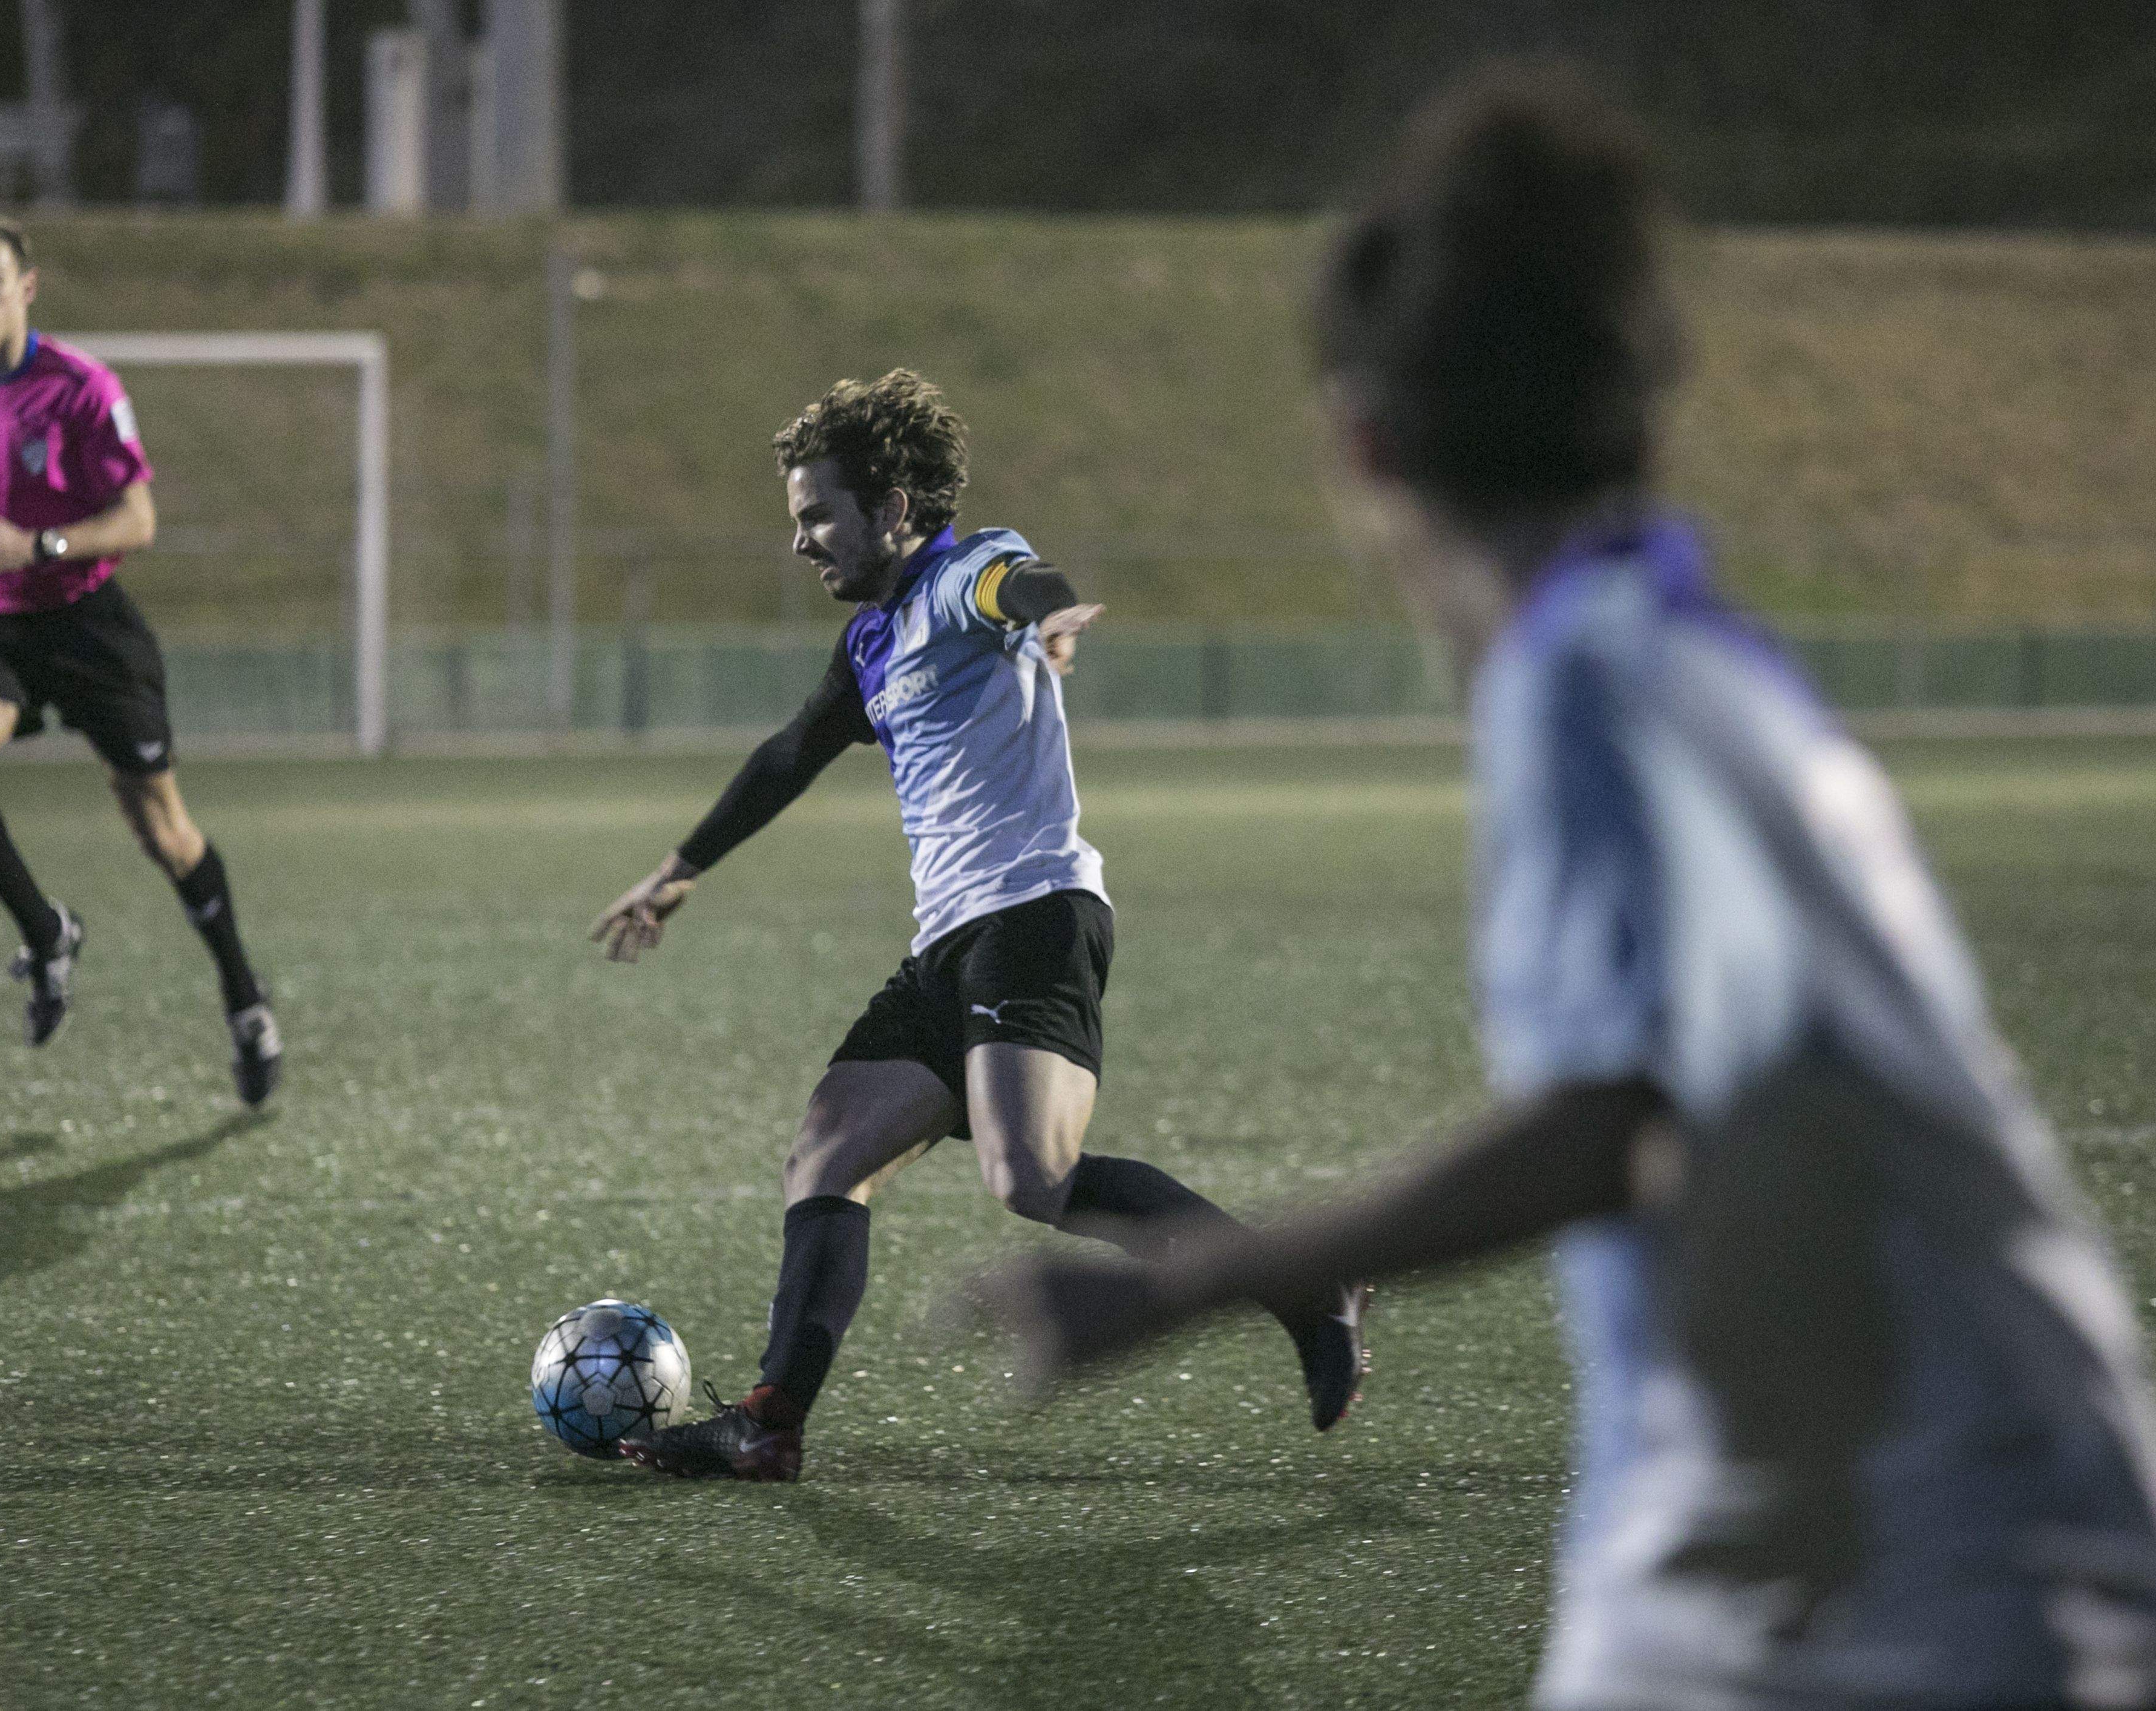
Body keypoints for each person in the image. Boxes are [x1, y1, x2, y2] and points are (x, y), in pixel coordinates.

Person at [965, 70, 2156, 1710]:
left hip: (1905, 1573)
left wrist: (1210, 1275)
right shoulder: (1689, 657)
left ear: (1357, 441)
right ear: (1644, 419)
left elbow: (1622, 1114)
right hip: (1898, 1526)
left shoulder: (1583, 681)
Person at [590, 369, 1366, 1482]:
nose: (804, 541)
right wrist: (679, 870)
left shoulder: (960, 572)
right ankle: (770, 1421)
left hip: (1035, 917)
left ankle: (1307, 1278)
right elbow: (789, 755)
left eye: (818, 515)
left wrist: (1049, 614)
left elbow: (1015, 584)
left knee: (1030, 1180)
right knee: (827, 1151)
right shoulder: (871, 640)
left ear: (893, 506)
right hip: (948, 943)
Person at [0, 214, 281, 1105]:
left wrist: (42, 545)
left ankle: (243, 997)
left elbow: (139, 520)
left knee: (164, 835)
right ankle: (47, 934)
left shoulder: (79, 386)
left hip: (86, 622)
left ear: (28, 286)